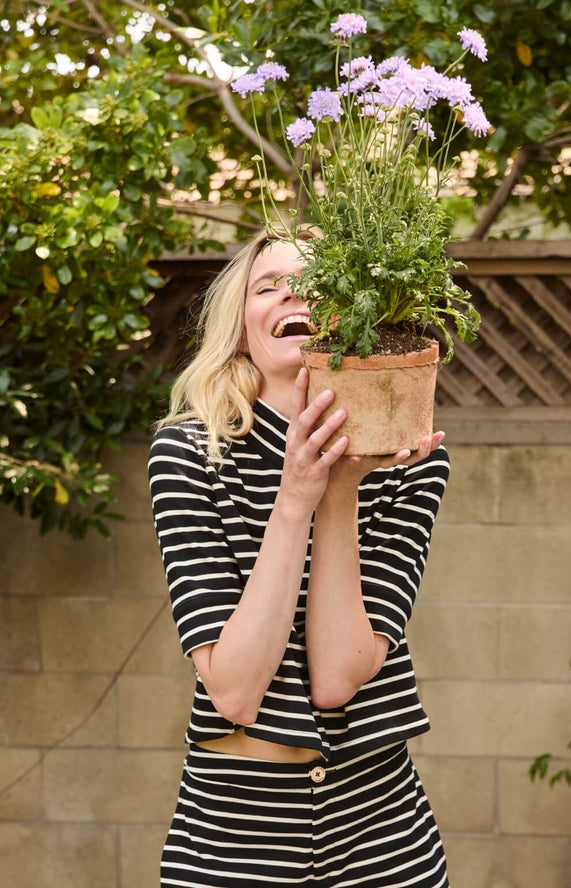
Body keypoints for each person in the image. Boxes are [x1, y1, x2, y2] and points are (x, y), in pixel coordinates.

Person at [148, 227, 451, 887]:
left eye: (315, 285)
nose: (292, 294)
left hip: (383, 836)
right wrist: (295, 499)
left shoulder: (409, 458)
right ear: (242, 324)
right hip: (233, 841)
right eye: (268, 286)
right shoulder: (188, 456)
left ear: (353, 316)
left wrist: (341, 488)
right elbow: (233, 690)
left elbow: (338, 679)